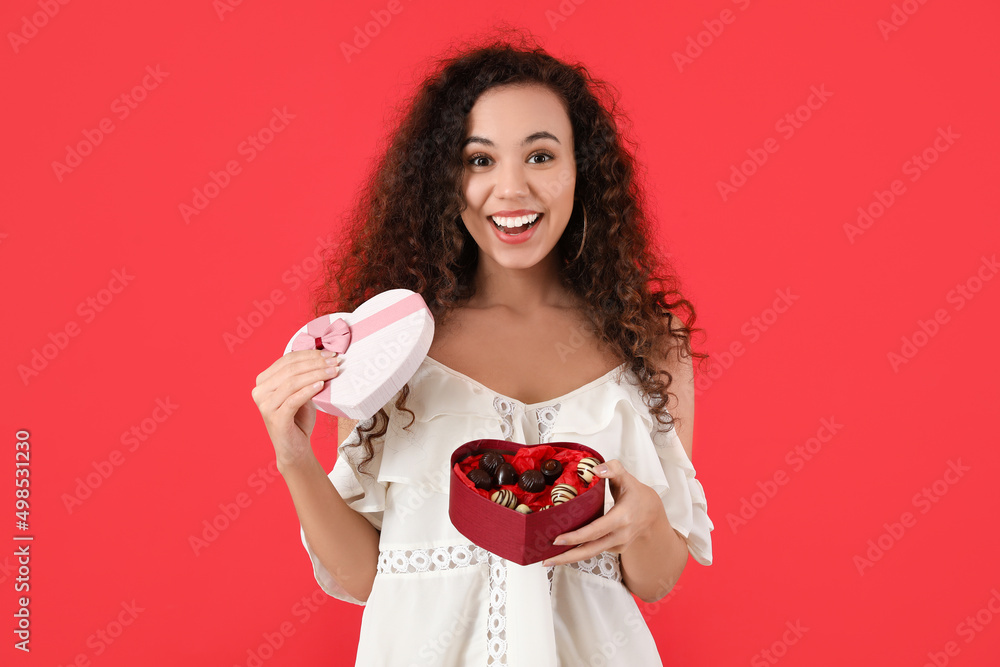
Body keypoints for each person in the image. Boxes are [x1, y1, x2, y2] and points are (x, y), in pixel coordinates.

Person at [252, 28, 714, 666]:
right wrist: (293, 454)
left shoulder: (650, 344)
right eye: (479, 160)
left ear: (585, 169)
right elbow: (365, 577)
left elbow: (656, 579)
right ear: (445, 177)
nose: (512, 190)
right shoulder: (390, 345)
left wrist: (646, 520)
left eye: (541, 156)